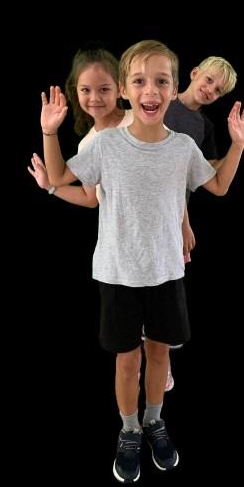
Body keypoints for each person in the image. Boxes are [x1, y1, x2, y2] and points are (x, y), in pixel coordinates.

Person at [39, 40, 244, 483]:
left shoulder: (183, 147)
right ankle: (130, 429)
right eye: (139, 81)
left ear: (173, 89)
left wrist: (237, 146)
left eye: (160, 81)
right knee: (126, 361)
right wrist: (50, 132)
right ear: (125, 90)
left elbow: (218, 187)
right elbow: (59, 177)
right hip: (118, 272)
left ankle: (155, 420)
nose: (150, 90)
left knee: (159, 355)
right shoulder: (105, 144)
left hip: (166, 271)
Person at [28, 45, 185, 392]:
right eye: (86, 90)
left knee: (159, 320)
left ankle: (161, 364)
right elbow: (89, 198)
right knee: (130, 324)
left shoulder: (140, 117)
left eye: (104, 89)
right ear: (76, 93)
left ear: (121, 88)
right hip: (122, 247)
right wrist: (51, 187)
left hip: (159, 237)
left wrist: (184, 224)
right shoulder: (89, 145)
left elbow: (171, 174)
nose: (95, 98)